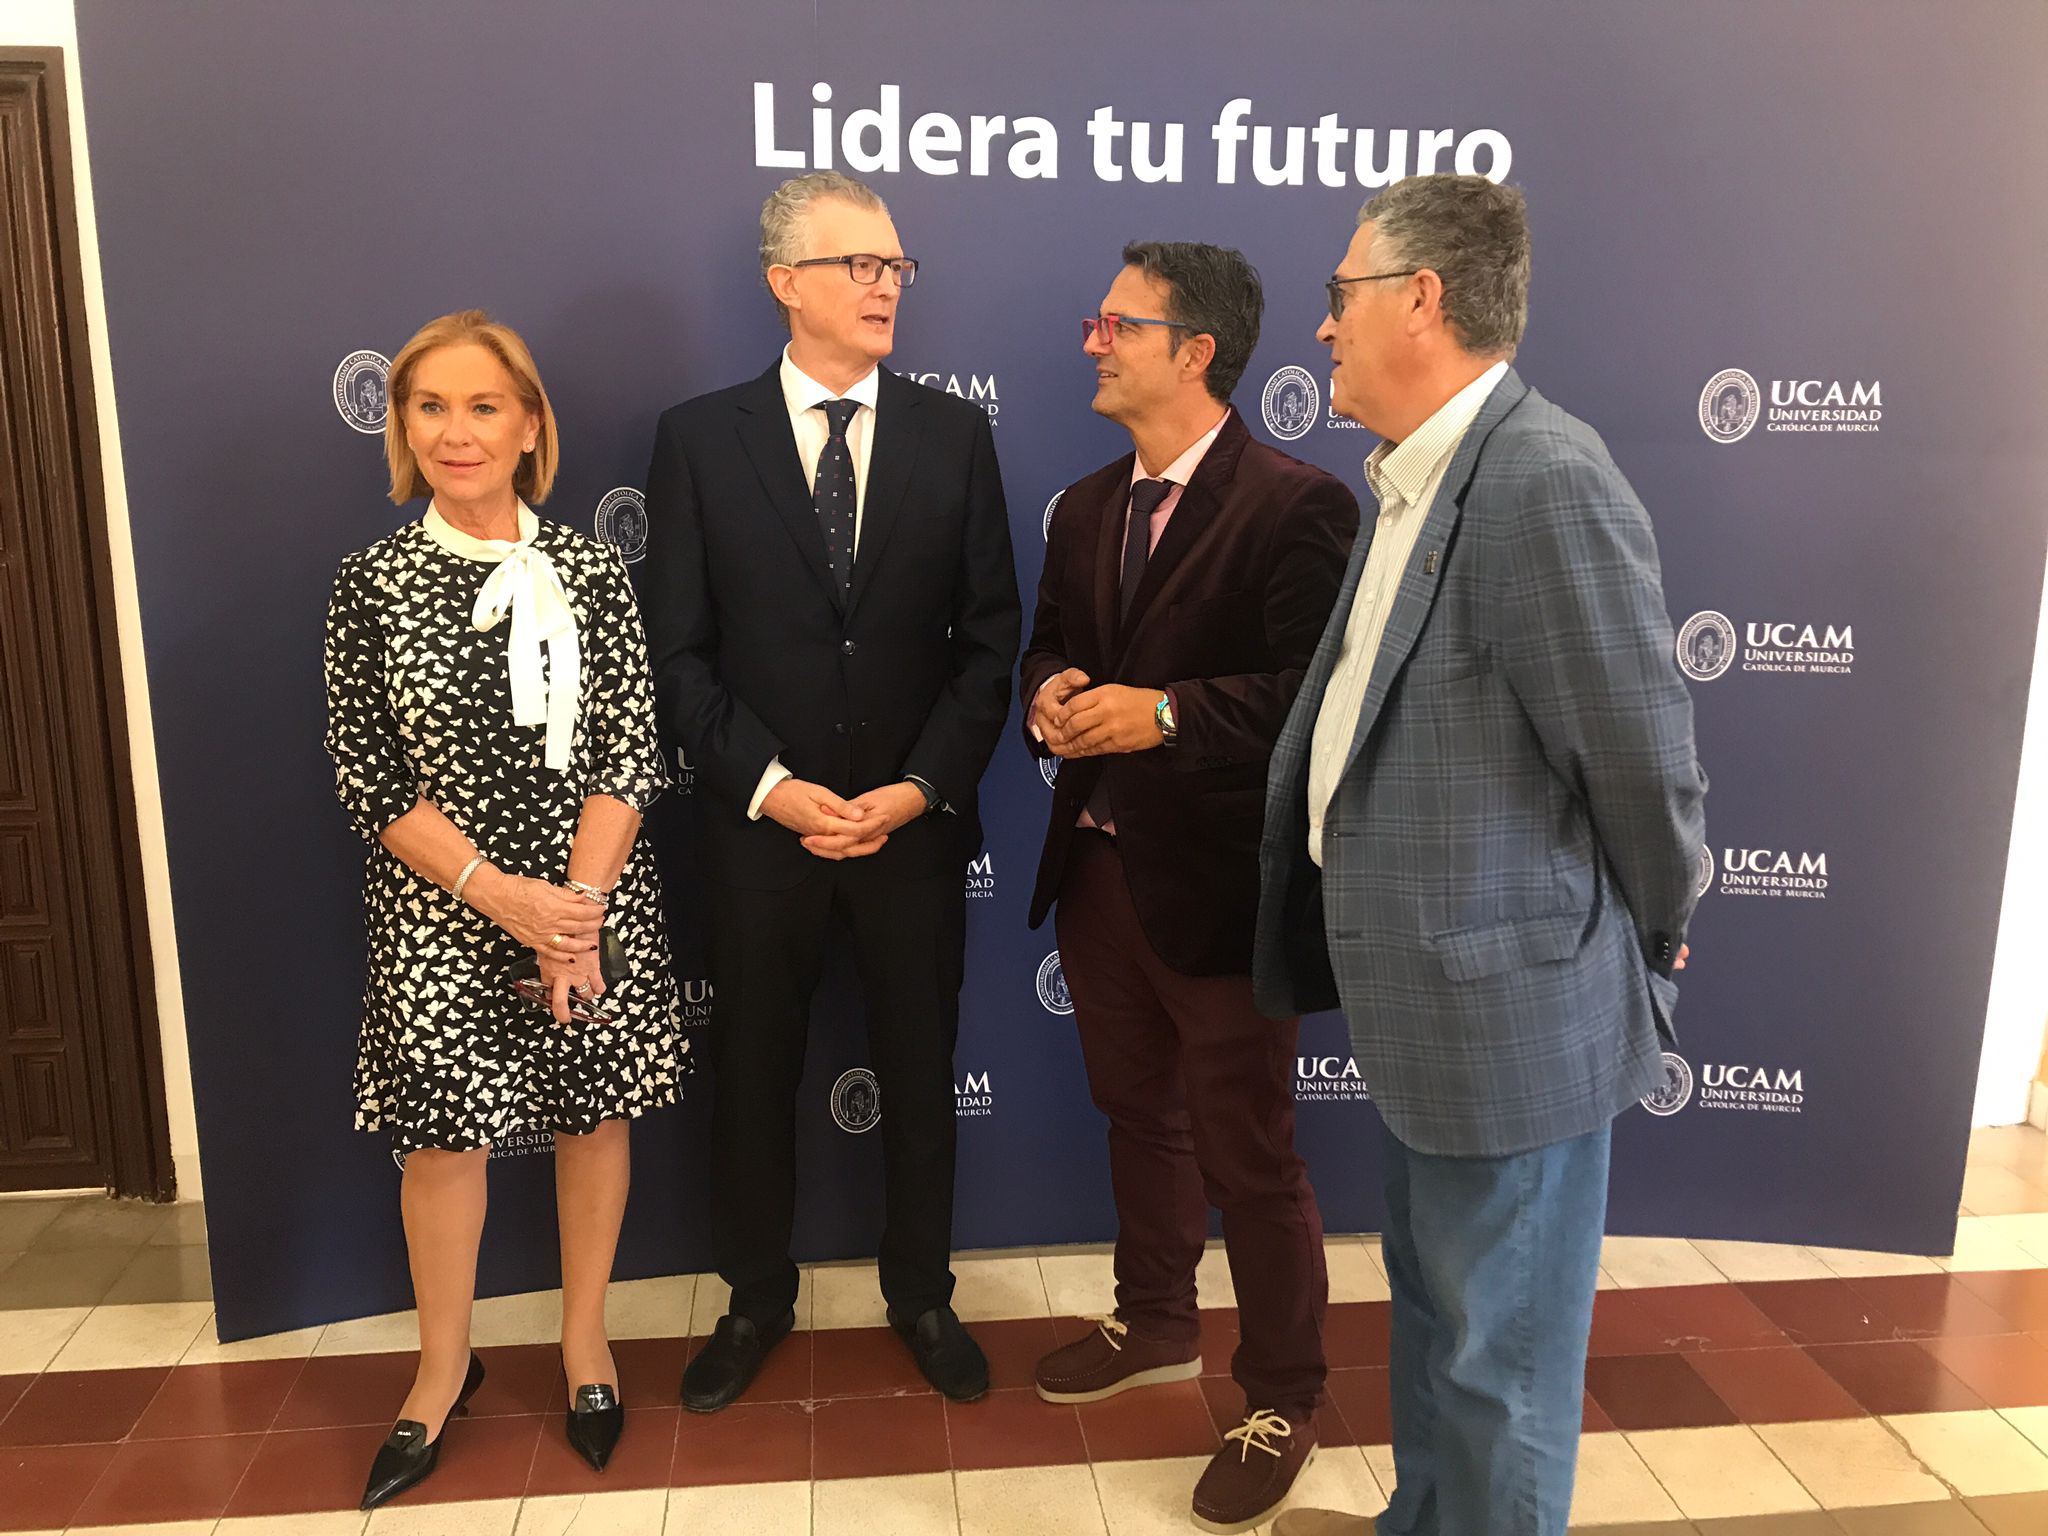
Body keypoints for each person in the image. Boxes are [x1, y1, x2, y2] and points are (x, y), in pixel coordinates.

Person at [1257, 176, 1706, 1536]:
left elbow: (1639, 755)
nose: (1323, 327)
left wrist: (1656, 919)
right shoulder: (1418, 476)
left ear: (1422, 300)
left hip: (1512, 1011)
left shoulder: (1541, 481)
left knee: (1498, 1365)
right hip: (1431, 1007)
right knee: (1445, 1320)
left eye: (1341, 296)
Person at [639, 171, 1020, 1410]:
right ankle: (754, 1298)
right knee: (751, 1079)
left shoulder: (955, 436)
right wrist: (770, 786)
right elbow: (676, 655)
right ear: (783, 283)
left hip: (911, 835)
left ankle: (922, 1293)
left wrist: (915, 791)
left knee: (920, 1075)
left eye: (895, 267)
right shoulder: (699, 439)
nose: (882, 286)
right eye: (858, 264)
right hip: (760, 838)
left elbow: (987, 643)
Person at [1021, 242, 1358, 1533]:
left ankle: (1280, 1390)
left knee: (1252, 1156)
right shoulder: (1090, 503)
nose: (1094, 340)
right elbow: (1056, 638)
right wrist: (1048, 690)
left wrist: (1161, 713)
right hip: (1099, 870)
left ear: (1194, 346)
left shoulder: (1298, 503)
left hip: (1221, 889)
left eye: (1118, 322)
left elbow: (1314, 696)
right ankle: (1157, 1315)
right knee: (1136, 1114)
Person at [323, 310, 685, 1509]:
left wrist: (573, 910)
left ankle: (584, 1341)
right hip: (442, 903)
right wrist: (497, 895)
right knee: (443, 1141)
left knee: (591, 1111)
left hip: (585, 896)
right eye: (430, 406)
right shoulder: (369, 580)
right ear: (401, 425)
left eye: (484, 406)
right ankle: (441, 1369)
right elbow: (372, 781)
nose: (455, 432)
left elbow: (629, 751)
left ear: (530, 424)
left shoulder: (589, 568)